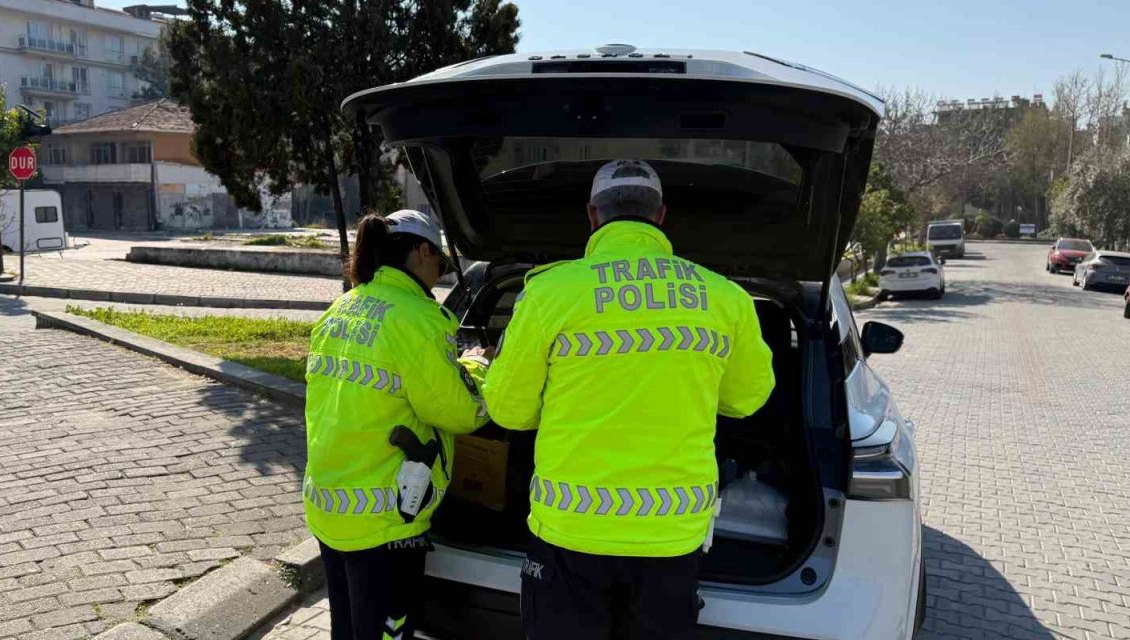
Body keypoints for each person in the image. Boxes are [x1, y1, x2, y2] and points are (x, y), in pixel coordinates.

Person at [483, 160, 776, 639]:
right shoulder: (726, 298)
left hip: (569, 534)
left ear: (592, 216)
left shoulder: (550, 293)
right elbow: (748, 399)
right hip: (672, 538)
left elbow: (509, 410)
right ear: (661, 215)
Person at [304, 209, 491, 640]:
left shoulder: (341, 309)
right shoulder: (417, 319)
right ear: (423, 252)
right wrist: (479, 369)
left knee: (349, 631)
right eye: (441, 264)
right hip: (384, 520)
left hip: (330, 505)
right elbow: (460, 411)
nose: (440, 275)